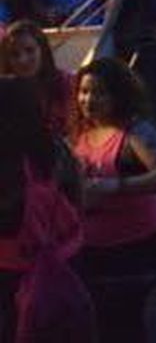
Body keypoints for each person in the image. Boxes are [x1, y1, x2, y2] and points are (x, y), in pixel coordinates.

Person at [71, 57, 156, 343]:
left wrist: (116, 185)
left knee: (125, 322)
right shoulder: (80, 132)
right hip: (93, 245)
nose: (89, 100)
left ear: (117, 96)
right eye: (84, 92)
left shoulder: (135, 132)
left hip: (134, 246)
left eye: (98, 92)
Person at [0, 77, 86, 342]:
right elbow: (76, 194)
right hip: (67, 251)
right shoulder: (54, 147)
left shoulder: (8, 163)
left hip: (15, 268)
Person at [0, 20, 74, 137]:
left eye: (30, 50)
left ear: (43, 50)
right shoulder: (4, 92)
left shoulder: (67, 82)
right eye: (15, 54)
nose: (23, 60)